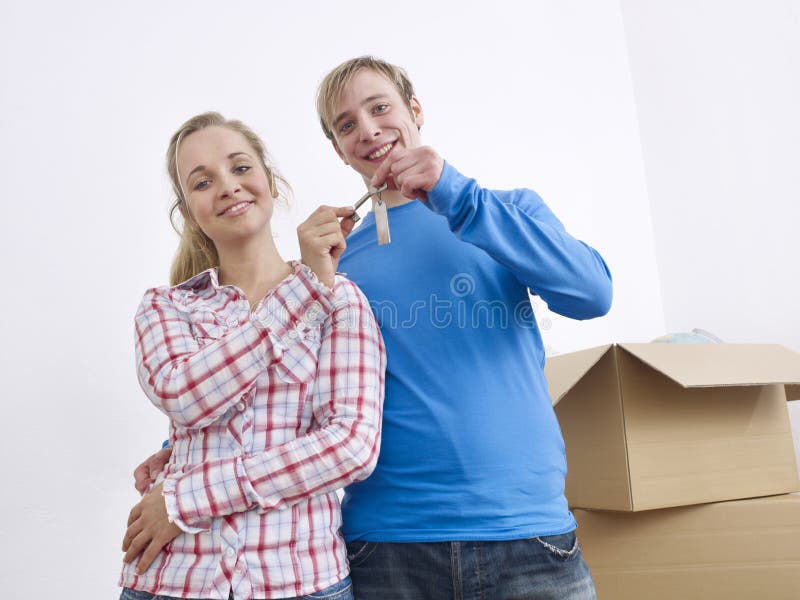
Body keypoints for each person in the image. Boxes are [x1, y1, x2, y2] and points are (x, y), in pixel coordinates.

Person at [136, 56, 613, 599]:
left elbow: (591, 295)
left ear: (415, 109)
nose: (367, 130)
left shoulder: (504, 210)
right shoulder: (334, 266)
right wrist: (180, 444)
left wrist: (454, 192)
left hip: (528, 533)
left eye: (379, 107)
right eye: (345, 124)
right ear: (336, 149)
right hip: (386, 547)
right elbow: (282, 390)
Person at [119, 112, 385, 600]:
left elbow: (350, 446)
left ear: (270, 181)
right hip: (173, 581)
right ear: (188, 211)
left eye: (240, 168)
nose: (227, 186)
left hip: (301, 582)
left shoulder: (340, 299)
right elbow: (186, 398)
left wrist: (185, 498)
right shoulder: (165, 306)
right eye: (202, 182)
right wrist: (301, 290)